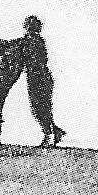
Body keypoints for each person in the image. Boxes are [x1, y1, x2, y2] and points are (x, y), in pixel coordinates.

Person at [19, 16, 65, 146]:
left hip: (38, 77)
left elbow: (34, 60)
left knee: (39, 107)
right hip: (40, 77)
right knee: (41, 107)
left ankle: (49, 135)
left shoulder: (32, 41)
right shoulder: (35, 41)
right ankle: (54, 132)